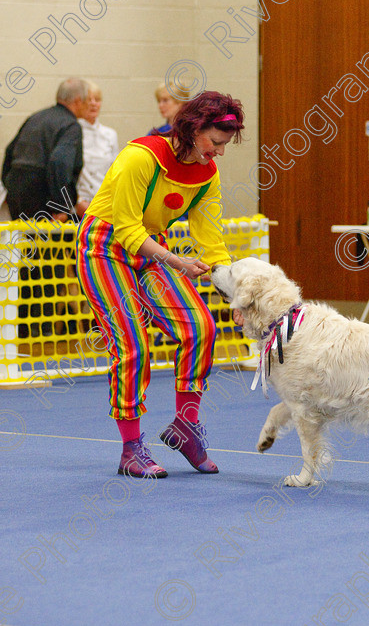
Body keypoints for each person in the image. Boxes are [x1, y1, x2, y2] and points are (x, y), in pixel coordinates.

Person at [76, 90, 244, 478]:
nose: (219, 152)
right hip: (105, 246)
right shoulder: (142, 156)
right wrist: (173, 261)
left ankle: (186, 426)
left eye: (224, 146)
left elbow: (211, 242)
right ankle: (131, 449)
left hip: (151, 249)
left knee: (200, 327)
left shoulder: (207, 174)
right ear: (194, 129)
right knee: (133, 344)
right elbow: (127, 228)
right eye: (215, 143)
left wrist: (238, 297)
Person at [2, 78, 89, 221]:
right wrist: (60, 206)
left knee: (23, 241)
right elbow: (59, 163)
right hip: (42, 196)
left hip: (16, 193)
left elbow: (9, 151)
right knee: (48, 243)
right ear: (78, 101)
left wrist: (9, 187)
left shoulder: (36, 117)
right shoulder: (70, 126)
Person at [76, 82, 119, 218]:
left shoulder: (110, 134)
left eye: (97, 99)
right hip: (79, 206)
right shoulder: (73, 132)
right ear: (81, 103)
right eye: (89, 99)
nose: (93, 104)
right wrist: (77, 202)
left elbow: (115, 172)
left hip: (104, 206)